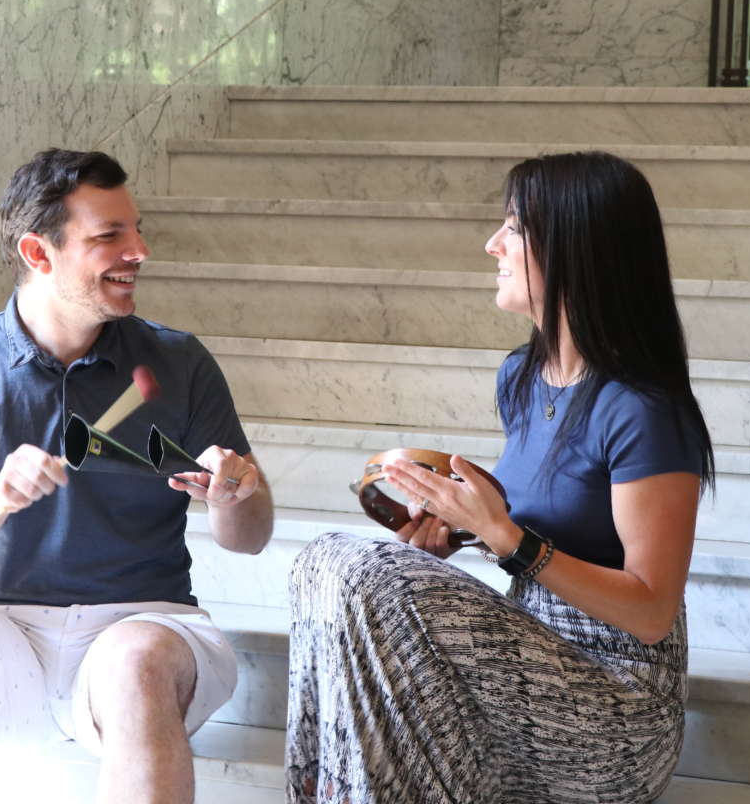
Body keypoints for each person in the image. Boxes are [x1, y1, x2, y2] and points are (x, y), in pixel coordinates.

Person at [285, 151, 715, 804]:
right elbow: (538, 522)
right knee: (323, 560)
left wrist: (507, 539)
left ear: (573, 247)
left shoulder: (642, 407)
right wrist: (456, 533)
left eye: (511, 227)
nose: (493, 245)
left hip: (616, 706)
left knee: (361, 571)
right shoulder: (521, 378)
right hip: (526, 666)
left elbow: (652, 611)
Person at [0, 148, 273, 804]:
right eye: (109, 236)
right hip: (3, 641)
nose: (139, 250)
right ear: (38, 253)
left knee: (135, 661)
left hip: (146, 629)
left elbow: (248, 537)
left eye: (136, 229)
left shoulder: (179, 360)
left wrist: (237, 494)